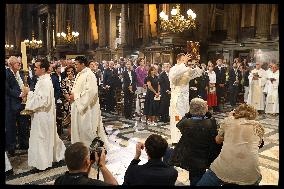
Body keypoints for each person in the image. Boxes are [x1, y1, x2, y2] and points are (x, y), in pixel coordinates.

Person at [197, 104, 264, 186]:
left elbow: (217, 140)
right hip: (250, 174)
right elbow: (259, 144)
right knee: (256, 177)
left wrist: (230, 117)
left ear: (236, 112)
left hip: (223, 169)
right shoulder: (258, 126)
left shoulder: (228, 121)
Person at [23, 58, 66, 171]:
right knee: (45, 137)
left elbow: (44, 101)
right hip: (42, 114)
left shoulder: (45, 82)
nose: (34, 69)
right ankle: (49, 158)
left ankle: (42, 164)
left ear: (43, 69)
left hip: (42, 114)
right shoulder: (43, 79)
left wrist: (29, 93)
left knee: (41, 138)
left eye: (36, 67)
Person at [168, 98, 221, 186]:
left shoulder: (186, 123)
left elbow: (180, 122)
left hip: (191, 155)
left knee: (193, 177)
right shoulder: (210, 122)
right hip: (205, 155)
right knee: (200, 176)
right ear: (204, 109)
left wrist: (191, 112)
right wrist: (206, 112)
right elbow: (212, 120)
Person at [69, 56, 109, 149]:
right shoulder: (80, 74)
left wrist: (76, 96)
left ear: (82, 64)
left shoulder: (89, 74)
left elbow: (91, 92)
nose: (75, 66)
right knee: (79, 129)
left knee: (86, 130)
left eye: (76, 64)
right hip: (78, 106)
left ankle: (91, 150)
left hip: (87, 109)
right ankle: (80, 149)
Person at [169, 53, 203, 144]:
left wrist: (196, 63)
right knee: (177, 117)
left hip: (185, 97)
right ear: (178, 60)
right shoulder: (174, 69)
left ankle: (184, 136)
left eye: (186, 60)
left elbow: (198, 73)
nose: (186, 61)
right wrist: (184, 63)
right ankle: (176, 139)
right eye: (184, 59)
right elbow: (177, 74)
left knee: (185, 116)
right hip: (177, 97)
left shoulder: (186, 69)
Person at [5, 56, 29, 156]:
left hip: (22, 103)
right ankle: (11, 147)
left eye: (19, 63)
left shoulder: (22, 73)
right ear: (10, 64)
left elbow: (28, 83)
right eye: (17, 63)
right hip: (11, 103)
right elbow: (7, 89)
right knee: (11, 126)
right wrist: (19, 94)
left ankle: (24, 143)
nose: (19, 64)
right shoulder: (7, 73)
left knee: (23, 124)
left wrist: (27, 91)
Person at [61, 65, 76, 140]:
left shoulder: (77, 80)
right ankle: (70, 135)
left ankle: (76, 134)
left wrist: (74, 97)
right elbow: (64, 90)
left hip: (76, 101)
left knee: (75, 118)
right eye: (68, 71)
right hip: (67, 102)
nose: (70, 72)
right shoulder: (64, 80)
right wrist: (69, 98)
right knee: (69, 120)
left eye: (71, 71)